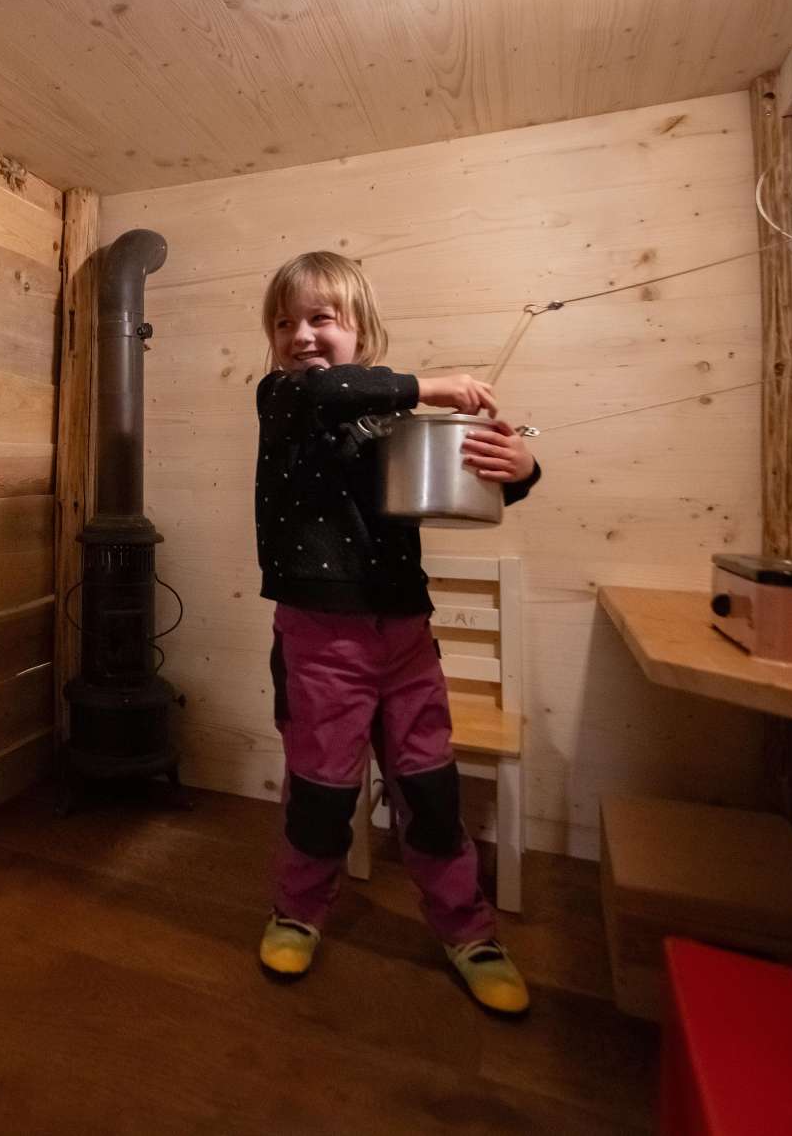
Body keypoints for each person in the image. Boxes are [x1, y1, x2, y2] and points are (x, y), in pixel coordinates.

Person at [253, 250, 541, 1014]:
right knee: (321, 789)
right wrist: (433, 382)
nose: (299, 335)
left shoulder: (389, 420)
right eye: (283, 323)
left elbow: (466, 483)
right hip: (320, 637)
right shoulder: (284, 396)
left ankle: (469, 930)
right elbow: (329, 390)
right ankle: (298, 910)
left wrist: (522, 468)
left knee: (430, 788)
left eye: (320, 318)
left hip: (407, 632)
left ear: (362, 330)